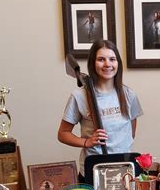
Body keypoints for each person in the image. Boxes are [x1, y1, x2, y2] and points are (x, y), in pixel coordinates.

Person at [58, 39, 143, 182]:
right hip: (94, 171)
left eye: (112, 59)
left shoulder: (129, 95)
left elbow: (131, 132)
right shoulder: (80, 96)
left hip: (124, 171)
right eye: (101, 59)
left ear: (118, 63)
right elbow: (62, 133)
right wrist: (86, 142)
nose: (107, 64)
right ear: (93, 63)